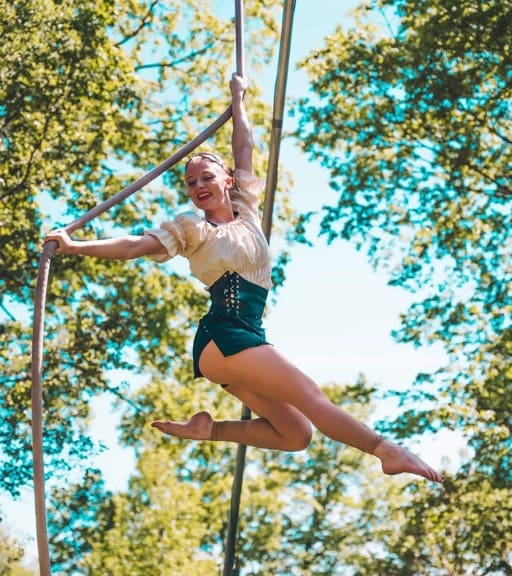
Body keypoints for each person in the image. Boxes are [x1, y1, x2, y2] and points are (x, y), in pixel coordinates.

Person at [45, 73, 443, 483]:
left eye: (206, 177)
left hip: (243, 335)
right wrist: (75, 246)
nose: (198, 185)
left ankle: (208, 430)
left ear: (228, 181)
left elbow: (244, 145)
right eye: (191, 182)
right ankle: (385, 449)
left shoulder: (246, 211)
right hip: (224, 336)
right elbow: (132, 246)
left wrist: (238, 98)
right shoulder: (192, 230)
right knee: (309, 394)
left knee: (296, 434)